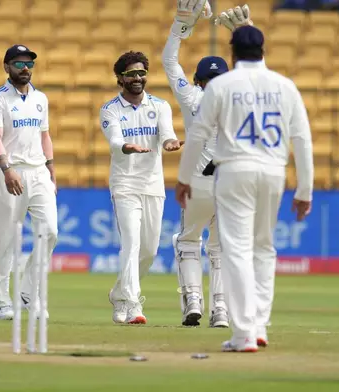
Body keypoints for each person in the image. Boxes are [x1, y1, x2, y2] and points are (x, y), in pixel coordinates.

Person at [177, 25, 314, 352]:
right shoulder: (285, 86)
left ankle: (243, 334)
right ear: (263, 50)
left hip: (234, 170)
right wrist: (305, 189)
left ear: (233, 53)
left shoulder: (221, 85)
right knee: (264, 248)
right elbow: (302, 138)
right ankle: (259, 325)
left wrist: (184, 178)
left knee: (235, 249)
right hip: (273, 171)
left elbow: (197, 135)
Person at [162, 0, 253, 328]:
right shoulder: (238, 93)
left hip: (198, 183)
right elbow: (253, 72)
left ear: (198, 80)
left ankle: (193, 305)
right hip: (229, 181)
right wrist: (243, 34)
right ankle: (221, 311)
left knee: (187, 241)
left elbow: (169, 63)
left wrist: (180, 25)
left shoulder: (191, 97)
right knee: (220, 248)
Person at [100, 51, 183, 325]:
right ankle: (134, 303)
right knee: (131, 244)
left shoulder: (160, 105)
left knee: (149, 250)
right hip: (124, 184)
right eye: (131, 74)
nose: (137, 78)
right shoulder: (110, 109)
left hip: (153, 184)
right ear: (120, 78)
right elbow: (114, 140)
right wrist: (126, 146)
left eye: (141, 73)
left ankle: (118, 293)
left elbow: (168, 132)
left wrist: (170, 142)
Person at [0, 44, 58, 321]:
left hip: (39, 172)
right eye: (19, 64)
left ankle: (28, 291)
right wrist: (6, 168)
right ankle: (3, 300)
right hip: (10, 173)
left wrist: (51, 168)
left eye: (29, 64)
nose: (25, 69)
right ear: (7, 67)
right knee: (7, 240)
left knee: (49, 231)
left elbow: (45, 136)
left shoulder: (41, 98)